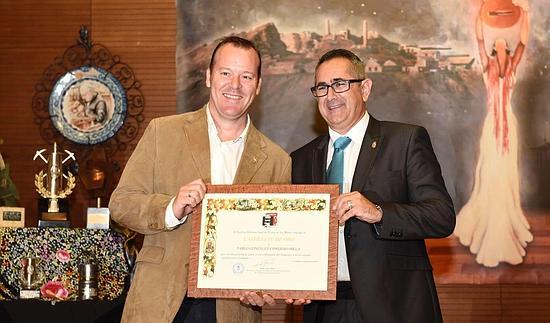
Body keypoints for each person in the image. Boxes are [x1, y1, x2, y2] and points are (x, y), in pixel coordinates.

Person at [109, 36, 291, 323]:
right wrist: (171, 208)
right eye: (225, 73)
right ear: (208, 77)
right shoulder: (162, 132)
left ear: (258, 86)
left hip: (233, 311)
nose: (235, 85)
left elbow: (275, 242)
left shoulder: (277, 161)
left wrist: (264, 285)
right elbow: (121, 204)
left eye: (246, 76)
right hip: (162, 304)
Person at [291, 49, 455, 323]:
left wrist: (379, 212)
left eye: (340, 84)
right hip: (322, 310)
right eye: (322, 87)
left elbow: (441, 217)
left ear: (365, 88)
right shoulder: (300, 159)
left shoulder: (405, 140)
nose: (331, 95)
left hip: (394, 305)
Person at [454, 0, 532, 267]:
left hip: (509, 127)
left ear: (506, 54)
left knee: (506, 173)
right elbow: (478, 40)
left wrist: (526, 17)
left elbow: (522, 45)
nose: (498, 50)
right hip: (492, 129)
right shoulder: (487, 72)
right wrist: (479, 15)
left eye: (502, 48)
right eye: (495, 47)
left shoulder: (511, 72)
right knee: (490, 173)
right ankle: (489, 221)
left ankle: (507, 220)